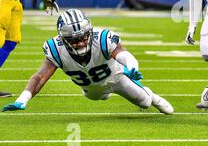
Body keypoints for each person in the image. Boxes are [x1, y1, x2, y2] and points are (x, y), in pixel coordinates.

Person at [2, 9, 174, 114]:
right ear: (64, 38)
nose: (81, 42)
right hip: (91, 90)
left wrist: (132, 66)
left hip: (117, 78)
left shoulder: (102, 38)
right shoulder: (56, 48)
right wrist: (22, 99)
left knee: (145, 103)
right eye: (74, 39)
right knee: (99, 96)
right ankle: (107, 93)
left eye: (84, 37)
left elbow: (121, 52)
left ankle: (151, 95)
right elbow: (39, 77)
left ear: (89, 32)